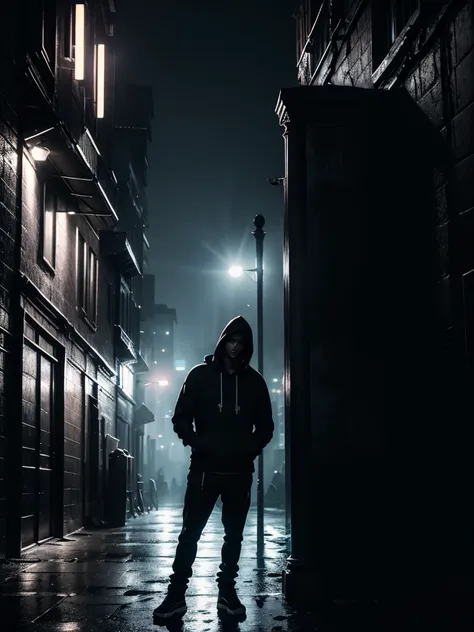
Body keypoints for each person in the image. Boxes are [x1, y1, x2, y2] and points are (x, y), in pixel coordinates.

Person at [153, 316, 274, 620]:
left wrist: (248, 450)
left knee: (233, 536)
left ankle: (227, 593)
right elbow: (180, 417)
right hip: (205, 471)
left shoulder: (255, 382)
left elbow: (266, 427)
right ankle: (176, 595)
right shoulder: (199, 376)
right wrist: (198, 443)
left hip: (239, 473)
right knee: (189, 534)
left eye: (241, 343)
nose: (235, 348)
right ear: (222, 341)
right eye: (231, 341)